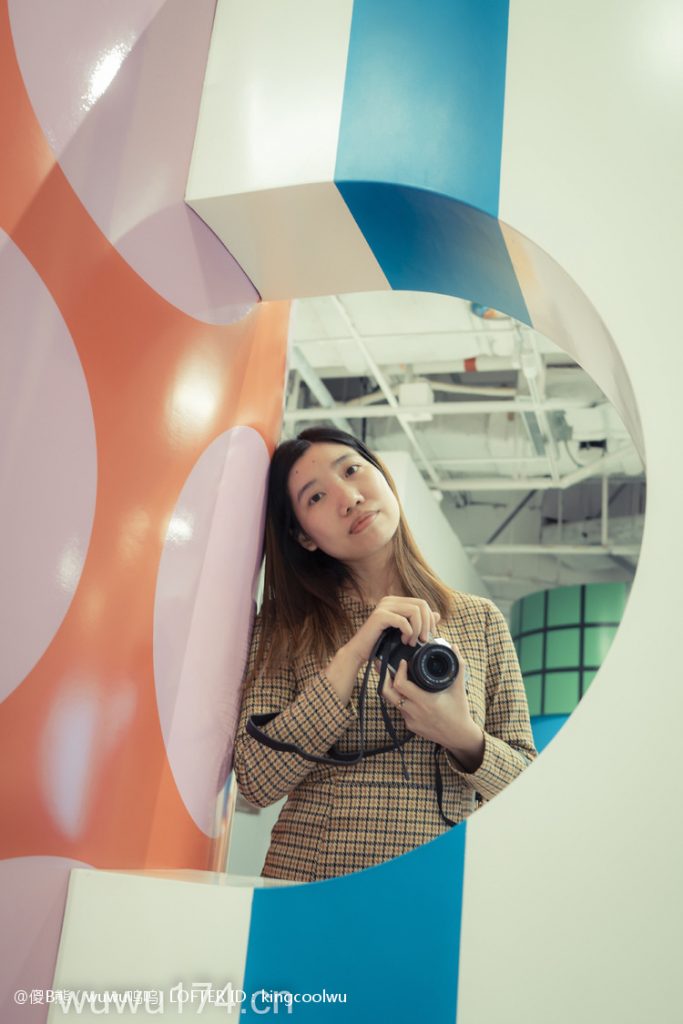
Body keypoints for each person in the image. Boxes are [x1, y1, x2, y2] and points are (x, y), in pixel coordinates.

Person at [233, 426, 537, 883]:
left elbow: (528, 789)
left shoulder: (480, 620)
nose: (349, 498)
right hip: (310, 882)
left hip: (437, 884)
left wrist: (460, 735)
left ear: (383, 476)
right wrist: (353, 653)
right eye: (316, 497)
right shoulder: (287, 622)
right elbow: (257, 780)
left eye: (352, 470)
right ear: (304, 537)